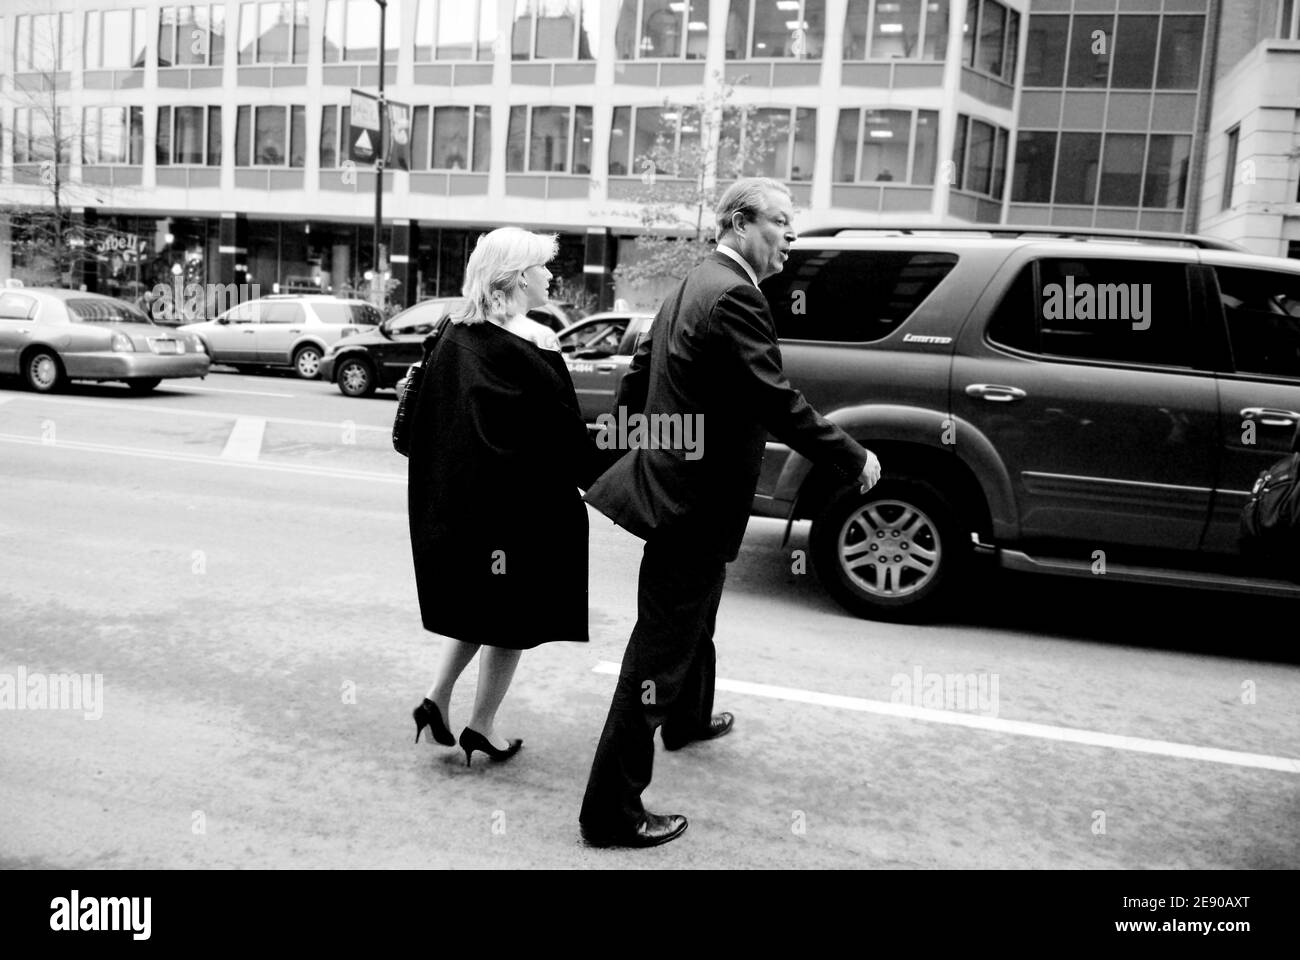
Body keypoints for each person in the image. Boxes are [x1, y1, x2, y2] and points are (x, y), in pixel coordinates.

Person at [578, 177, 882, 848]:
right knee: (657, 654)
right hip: (695, 505)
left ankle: (688, 718)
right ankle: (610, 811)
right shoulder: (736, 295)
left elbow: (638, 373)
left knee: (694, 619)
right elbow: (776, 400)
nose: (791, 237)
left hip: (680, 493)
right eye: (780, 222)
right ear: (740, 223)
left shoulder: (696, 280)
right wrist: (851, 457)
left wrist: (643, 450)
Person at [407, 227, 607, 767]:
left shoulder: (454, 331)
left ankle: (436, 698)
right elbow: (564, 436)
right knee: (511, 623)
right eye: (543, 267)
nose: (550, 276)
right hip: (520, 513)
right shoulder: (536, 341)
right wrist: (615, 479)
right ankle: (482, 726)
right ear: (519, 277)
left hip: (465, 510)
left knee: (480, 609)